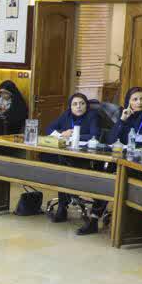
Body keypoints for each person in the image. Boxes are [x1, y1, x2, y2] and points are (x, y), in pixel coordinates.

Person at [44, 93, 104, 223]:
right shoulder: (66, 115)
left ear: (86, 105)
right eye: (75, 104)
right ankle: (62, 206)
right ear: (70, 106)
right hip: (66, 154)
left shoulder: (93, 115)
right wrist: (61, 134)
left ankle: (62, 206)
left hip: (85, 156)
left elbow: (94, 135)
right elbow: (49, 128)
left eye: (82, 104)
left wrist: (72, 136)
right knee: (56, 162)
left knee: (62, 165)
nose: (78, 107)